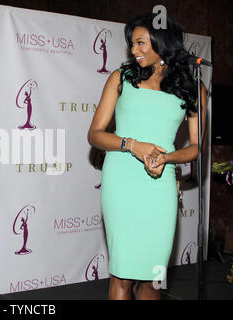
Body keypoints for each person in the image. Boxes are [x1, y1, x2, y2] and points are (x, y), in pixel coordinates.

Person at [87, 13, 207, 300]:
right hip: (122, 180)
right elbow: (95, 134)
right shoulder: (122, 78)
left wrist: (167, 159)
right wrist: (133, 145)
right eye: (132, 44)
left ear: (162, 43)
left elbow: (195, 147)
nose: (134, 50)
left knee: (154, 278)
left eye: (141, 43)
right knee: (123, 275)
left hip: (160, 182)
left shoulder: (192, 88)